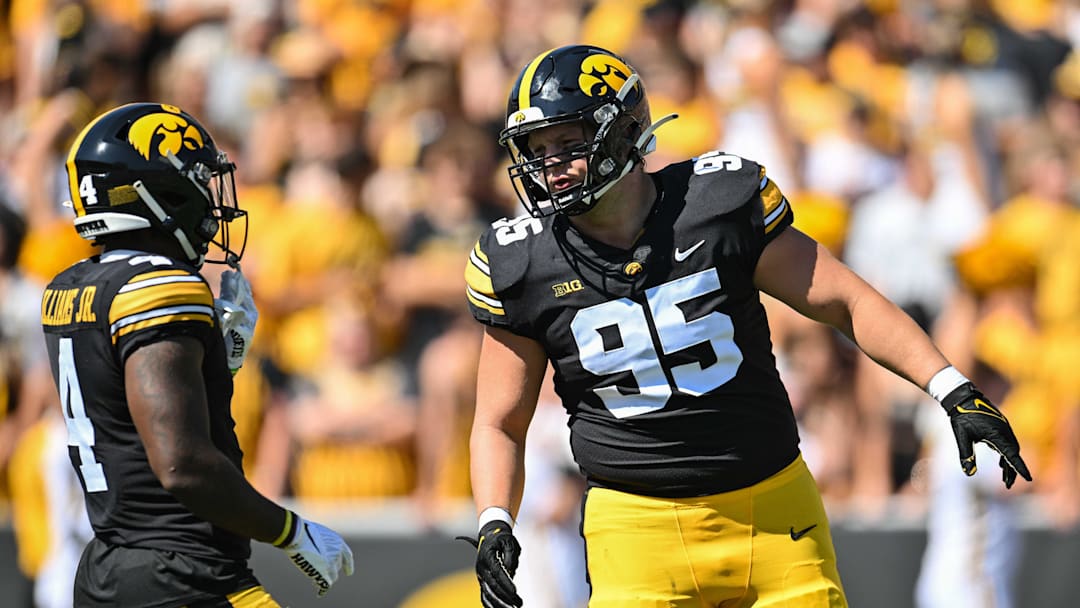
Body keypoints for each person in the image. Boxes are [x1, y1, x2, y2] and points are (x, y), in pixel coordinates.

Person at [461, 44, 1031, 608]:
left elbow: (845, 302)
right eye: (537, 149)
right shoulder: (523, 262)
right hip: (635, 532)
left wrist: (950, 388)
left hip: (773, 512)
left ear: (620, 132)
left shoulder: (718, 203)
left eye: (568, 143)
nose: (550, 164)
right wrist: (494, 519)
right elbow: (500, 421)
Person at [41, 102, 353, 607]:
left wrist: (219, 364)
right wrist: (289, 530)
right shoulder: (161, 287)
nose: (212, 202)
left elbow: (128, 417)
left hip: (106, 572)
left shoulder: (72, 286)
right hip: (184, 575)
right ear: (156, 189)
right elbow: (180, 462)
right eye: (201, 182)